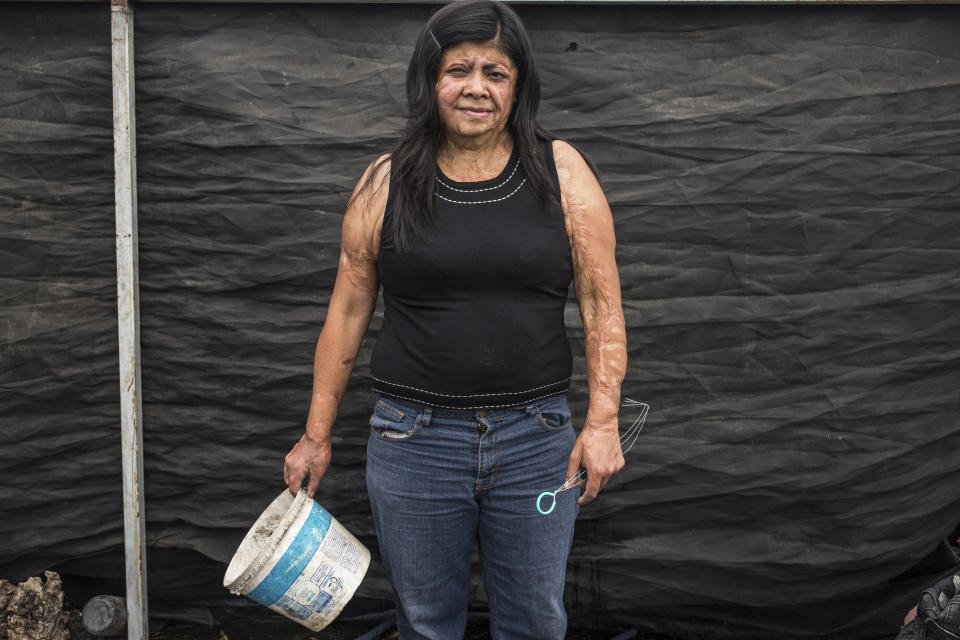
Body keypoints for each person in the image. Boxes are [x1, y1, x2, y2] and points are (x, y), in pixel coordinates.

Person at [283, 1, 626, 637]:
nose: (476, 87)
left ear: (518, 85)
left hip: (535, 438)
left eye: (495, 72)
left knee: (533, 622)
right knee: (425, 623)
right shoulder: (387, 180)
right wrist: (316, 434)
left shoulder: (562, 171)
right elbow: (350, 307)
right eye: (458, 69)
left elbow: (601, 303)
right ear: (430, 81)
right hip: (413, 442)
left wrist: (602, 421)